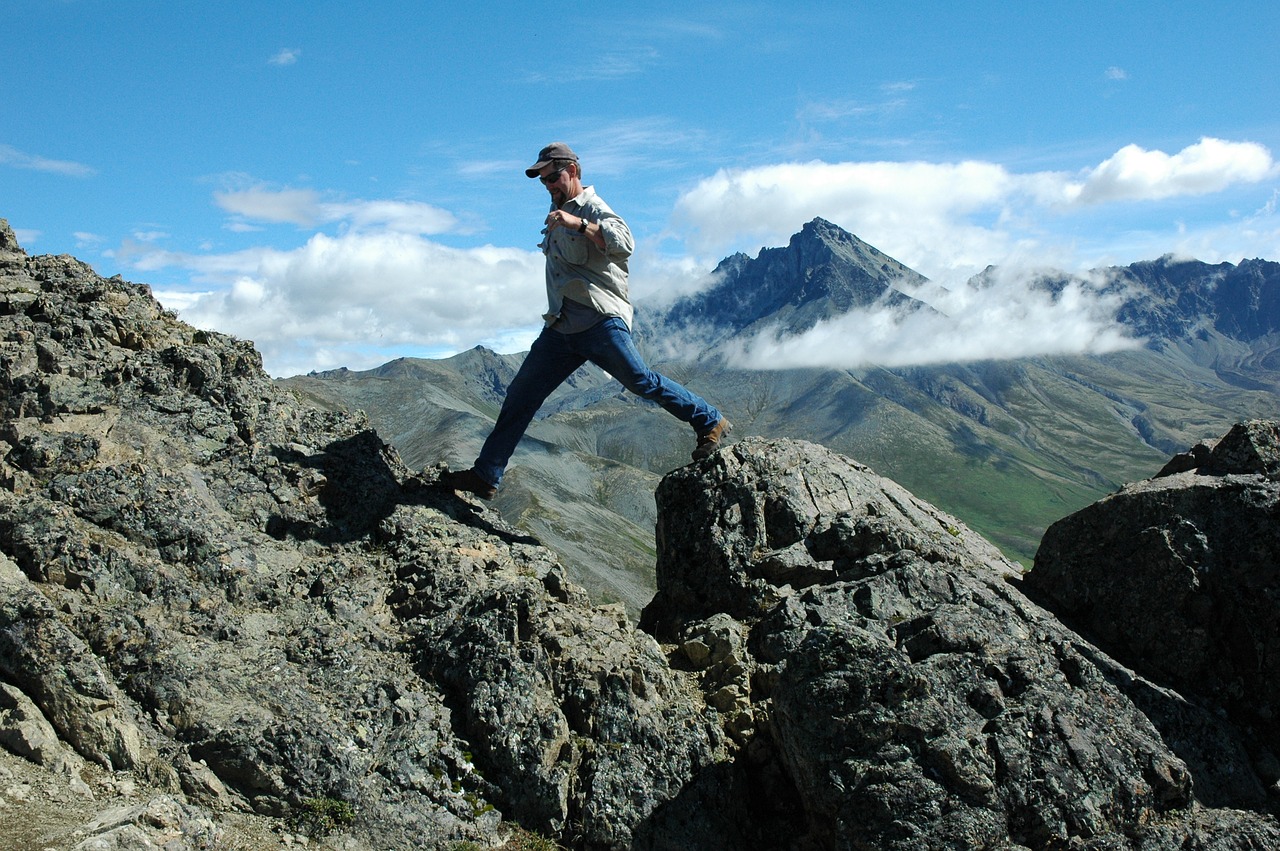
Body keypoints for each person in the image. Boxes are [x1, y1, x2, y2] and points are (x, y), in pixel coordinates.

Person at [441, 142, 730, 500]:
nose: (549, 185)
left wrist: (578, 224)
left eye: (554, 177)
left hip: (599, 322)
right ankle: (486, 475)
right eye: (543, 180)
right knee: (520, 396)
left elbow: (624, 244)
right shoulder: (556, 207)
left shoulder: (593, 208)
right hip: (561, 327)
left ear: (574, 171)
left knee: (640, 380)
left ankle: (709, 419)